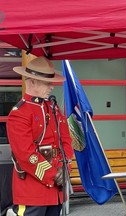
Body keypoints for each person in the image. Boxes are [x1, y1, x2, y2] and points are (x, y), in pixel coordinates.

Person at [6, 56, 74, 216]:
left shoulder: (53, 108)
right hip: (32, 190)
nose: (51, 87)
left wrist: (65, 169)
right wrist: (53, 174)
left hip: (56, 188)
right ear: (32, 82)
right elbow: (25, 154)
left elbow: (66, 141)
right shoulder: (19, 113)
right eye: (47, 83)